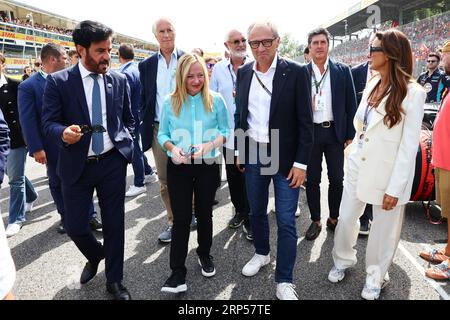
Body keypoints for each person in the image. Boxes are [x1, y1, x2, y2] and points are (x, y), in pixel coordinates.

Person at [328, 30, 426, 300]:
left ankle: (375, 276)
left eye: (374, 49)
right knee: (347, 217)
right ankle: (343, 259)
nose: (368, 54)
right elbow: (362, 124)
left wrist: (396, 187)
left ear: (391, 53)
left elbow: (408, 148)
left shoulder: (413, 93)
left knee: (383, 230)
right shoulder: (372, 82)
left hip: (388, 173)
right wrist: (353, 150)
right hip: (358, 164)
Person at [42, 20, 134, 300]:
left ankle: (115, 281)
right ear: (81, 50)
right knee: (75, 226)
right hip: (75, 165)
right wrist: (62, 133)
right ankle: (96, 255)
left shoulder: (118, 80)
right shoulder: (59, 82)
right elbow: (48, 123)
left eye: (109, 49)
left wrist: (125, 146)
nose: (106, 56)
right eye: (99, 50)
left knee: (115, 224)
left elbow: (129, 118)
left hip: (111, 163)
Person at [235, 21, 313, 300]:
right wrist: (240, 150)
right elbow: (240, 115)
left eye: (266, 42)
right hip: (254, 151)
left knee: (286, 219)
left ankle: (284, 279)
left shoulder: (296, 72)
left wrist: (301, 164)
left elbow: (306, 122)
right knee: (256, 211)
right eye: (254, 43)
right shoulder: (244, 72)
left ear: (278, 41)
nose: (260, 48)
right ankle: (262, 253)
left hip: (285, 154)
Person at [159, 53, 229, 293]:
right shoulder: (169, 102)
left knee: (205, 213)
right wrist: (172, 148)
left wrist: (209, 146)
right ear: (181, 76)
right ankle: (177, 272)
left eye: (201, 75)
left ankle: (204, 253)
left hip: (208, 165)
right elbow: (162, 135)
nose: (197, 80)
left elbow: (225, 131)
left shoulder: (216, 100)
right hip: (178, 166)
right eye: (190, 76)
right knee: (180, 219)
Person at [19, 44, 102, 235]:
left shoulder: (70, 80)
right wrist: (37, 148)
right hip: (51, 146)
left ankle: (90, 216)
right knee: (57, 182)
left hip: (76, 142)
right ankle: (66, 217)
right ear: (52, 60)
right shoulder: (28, 86)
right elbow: (28, 120)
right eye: (64, 57)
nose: (67, 60)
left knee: (83, 178)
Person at [304, 28, 357, 241]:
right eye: (315, 42)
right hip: (311, 134)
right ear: (310, 46)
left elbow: (351, 104)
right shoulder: (302, 72)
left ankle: (334, 218)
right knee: (313, 180)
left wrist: (351, 134)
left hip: (335, 133)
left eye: (322, 42)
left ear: (328, 45)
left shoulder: (343, 71)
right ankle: (315, 220)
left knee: (337, 178)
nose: (319, 46)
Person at [139, 17, 185, 243]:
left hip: (186, 129)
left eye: (170, 30)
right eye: (161, 31)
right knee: (165, 180)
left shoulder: (188, 59)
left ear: (175, 32)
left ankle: (191, 213)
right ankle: (173, 222)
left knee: (189, 174)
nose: (166, 34)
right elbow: (143, 99)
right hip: (159, 129)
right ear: (155, 36)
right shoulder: (146, 66)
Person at [210, 28, 252, 240]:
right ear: (226, 46)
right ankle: (240, 211)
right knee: (234, 176)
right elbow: (212, 100)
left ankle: (252, 215)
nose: (241, 44)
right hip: (228, 133)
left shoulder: (255, 65)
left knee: (252, 174)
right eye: (235, 41)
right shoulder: (218, 69)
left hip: (252, 132)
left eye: (243, 40)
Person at [420, 40, 450, 281]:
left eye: (445, 55)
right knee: (447, 212)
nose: (442, 59)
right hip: (443, 159)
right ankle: (448, 251)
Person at [0, 53, 38, 237]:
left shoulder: (16, 86)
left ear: (2, 65)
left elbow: (26, 114)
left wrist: (31, 139)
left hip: (15, 139)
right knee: (12, 172)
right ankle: (31, 195)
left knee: (14, 178)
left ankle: (16, 219)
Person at [119, 44, 156, 197]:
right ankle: (147, 171)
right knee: (137, 148)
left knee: (135, 149)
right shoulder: (137, 69)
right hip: (139, 114)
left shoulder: (126, 73)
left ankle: (139, 182)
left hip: (131, 116)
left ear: (119, 55)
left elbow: (123, 100)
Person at [351, 34, 378, 236]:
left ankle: (365, 218)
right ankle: (351, 217)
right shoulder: (356, 72)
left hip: (377, 137)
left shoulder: (392, 77)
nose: (373, 51)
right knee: (353, 179)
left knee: (370, 177)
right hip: (356, 135)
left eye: (377, 48)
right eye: (371, 47)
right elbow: (349, 103)